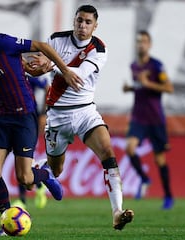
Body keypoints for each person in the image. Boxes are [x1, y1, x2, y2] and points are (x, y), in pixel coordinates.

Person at [0, 8, 82, 236]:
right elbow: (20, 70)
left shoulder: (5, 43)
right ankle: (6, 220)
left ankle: (45, 174)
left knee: (26, 179)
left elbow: (42, 47)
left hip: (23, 116)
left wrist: (63, 70)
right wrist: (34, 71)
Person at [29, 5, 134, 230]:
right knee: (56, 171)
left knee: (108, 153)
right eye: (79, 21)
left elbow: (78, 76)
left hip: (86, 111)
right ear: (73, 21)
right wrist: (37, 66)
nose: (82, 26)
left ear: (95, 26)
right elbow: (36, 64)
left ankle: (117, 211)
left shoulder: (99, 48)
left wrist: (53, 65)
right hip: (57, 115)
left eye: (88, 22)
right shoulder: (56, 40)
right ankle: (43, 171)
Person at [123, 30, 174, 210]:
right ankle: (144, 178)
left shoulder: (156, 66)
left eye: (144, 41)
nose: (141, 44)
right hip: (138, 117)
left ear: (149, 44)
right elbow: (140, 88)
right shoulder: (134, 66)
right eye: (138, 41)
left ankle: (168, 195)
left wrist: (148, 84)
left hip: (155, 119)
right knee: (129, 148)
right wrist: (131, 88)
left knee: (159, 159)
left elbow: (169, 88)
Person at [12, 75, 49, 210]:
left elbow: (46, 87)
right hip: (9, 119)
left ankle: (25, 197)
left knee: (22, 158)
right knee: (19, 159)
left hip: (28, 120)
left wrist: (43, 112)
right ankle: (38, 184)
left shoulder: (25, 75)